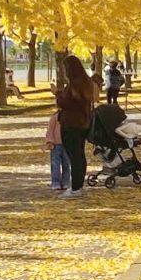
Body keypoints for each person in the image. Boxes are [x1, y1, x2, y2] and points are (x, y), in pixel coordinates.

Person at [54, 53, 100, 196]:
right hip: (82, 123)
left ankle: (75, 187)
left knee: (74, 156)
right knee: (79, 155)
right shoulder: (86, 82)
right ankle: (77, 185)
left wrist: (57, 94)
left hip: (71, 123)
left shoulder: (75, 84)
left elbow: (69, 103)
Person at [44, 106, 69, 191]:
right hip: (56, 145)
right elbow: (50, 130)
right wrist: (50, 141)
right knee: (55, 165)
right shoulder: (54, 117)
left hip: (67, 145)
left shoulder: (70, 118)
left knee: (66, 164)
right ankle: (55, 182)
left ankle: (66, 182)